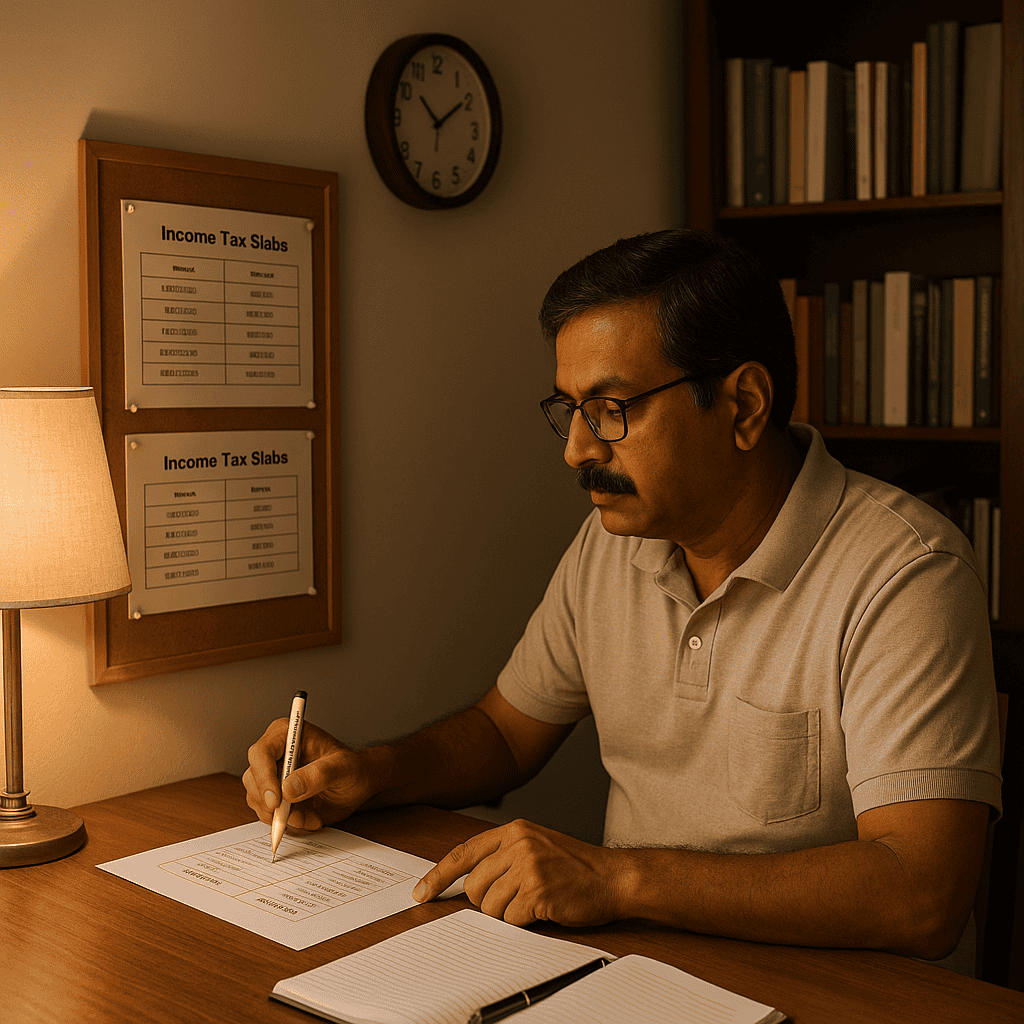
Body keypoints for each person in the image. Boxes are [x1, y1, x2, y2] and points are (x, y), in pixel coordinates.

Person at [244, 228, 1002, 964]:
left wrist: (619, 877)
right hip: (633, 975)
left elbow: (924, 895)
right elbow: (506, 734)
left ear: (742, 407)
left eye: (611, 408)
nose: (577, 448)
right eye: (569, 409)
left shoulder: (908, 573)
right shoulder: (611, 542)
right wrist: (371, 773)